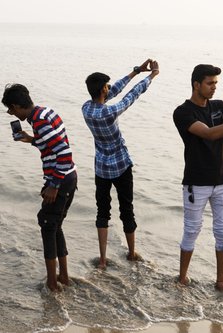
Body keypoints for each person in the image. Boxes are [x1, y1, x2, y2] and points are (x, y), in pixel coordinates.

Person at [82, 59, 160, 269]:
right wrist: (151, 75)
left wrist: (135, 71)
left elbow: (114, 90)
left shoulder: (86, 109)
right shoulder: (109, 112)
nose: (109, 89)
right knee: (127, 209)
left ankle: (103, 259)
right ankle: (132, 254)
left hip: (101, 167)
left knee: (102, 211)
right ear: (102, 90)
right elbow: (131, 95)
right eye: (106, 87)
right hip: (121, 166)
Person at [173, 64, 223, 292]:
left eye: (216, 83)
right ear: (197, 84)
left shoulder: (219, 106)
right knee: (192, 230)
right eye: (210, 83)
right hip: (196, 182)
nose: (214, 87)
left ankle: (220, 282)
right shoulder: (183, 112)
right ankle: (182, 278)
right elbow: (209, 134)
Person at [2, 84, 77, 292]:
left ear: (17, 105)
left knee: (47, 225)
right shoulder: (46, 112)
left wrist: (53, 185)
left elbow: (64, 152)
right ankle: (63, 276)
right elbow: (53, 144)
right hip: (69, 176)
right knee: (55, 225)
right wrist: (32, 140)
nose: (11, 113)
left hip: (60, 178)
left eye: (11, 109)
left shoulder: (39, 120)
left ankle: (52, 284)